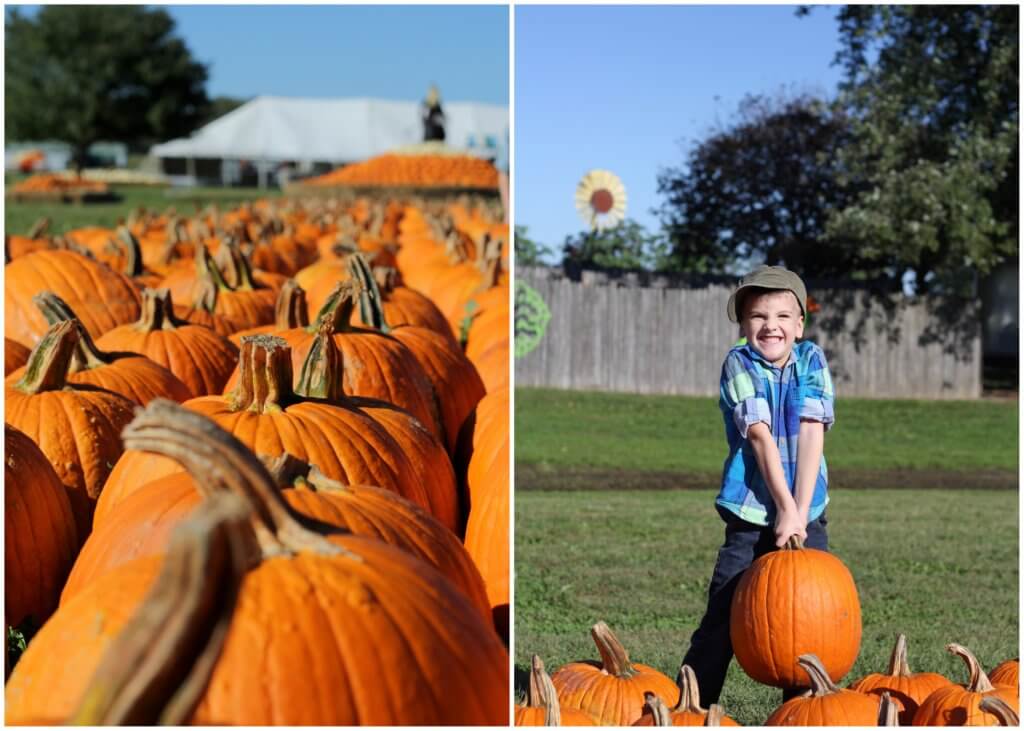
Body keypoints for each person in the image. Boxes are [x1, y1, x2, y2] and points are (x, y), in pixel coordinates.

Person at [681, 265, 835, 705]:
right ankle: (691, 706)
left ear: (800, 323)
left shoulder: (812, 360)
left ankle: (800, 711)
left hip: (808, 510)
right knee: (725, 614)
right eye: (758, 316)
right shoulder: (738, 362)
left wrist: (799, 512)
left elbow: (811, 430)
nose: (771, 326)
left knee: (808, 621)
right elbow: (760, 436)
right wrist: (783, 509)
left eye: (784, 316)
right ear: (743, 323)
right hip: (750, 513)